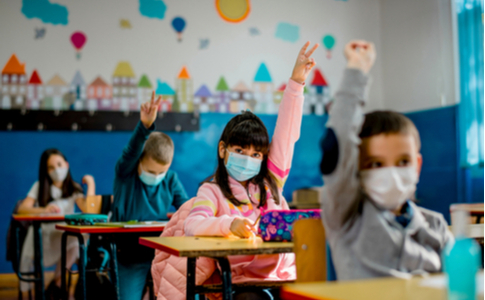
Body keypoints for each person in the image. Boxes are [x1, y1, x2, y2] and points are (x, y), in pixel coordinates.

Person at [152, 41, 319, 300]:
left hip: (288, 277)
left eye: (256, 155)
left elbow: (287, 135)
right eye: (240, 151)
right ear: (223, 149)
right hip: (246, 283)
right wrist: (230, 223)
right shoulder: (212, 190)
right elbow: (193, 225)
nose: (248, 159)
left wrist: (296, 83)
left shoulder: (270, 181)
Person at [320, 40, 454, 280]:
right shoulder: (348, 216)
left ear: (418, 166)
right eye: (376, 164)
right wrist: (357, 70)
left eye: (403, 161)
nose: (391, 172)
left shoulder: (436, 227)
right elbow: (338, 143)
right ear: (355, 168)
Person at [112, 94, 189, 300]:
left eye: (161, 172)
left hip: (163, 251)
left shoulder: (170, 179)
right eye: (151, 171)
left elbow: (188, 207)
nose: (156, 177)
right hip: (129, 254)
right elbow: (131, 151)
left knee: (186, 291)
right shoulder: (125, 173)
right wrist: (145, 126)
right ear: (139, 161)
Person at [17, 148, 95, 298]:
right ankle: (47, 289)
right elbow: (22, 209)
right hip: (44, 236)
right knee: (29, 256)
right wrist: (43, 209)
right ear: (46, 170)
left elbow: (89, 210)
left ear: (66, 165)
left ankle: (57, 283)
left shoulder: (74, 188)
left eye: (59, 164)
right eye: (51, 167)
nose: (56, 170)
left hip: (63, 236)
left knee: (80, 237)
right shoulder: (39, 186)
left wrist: (90, 184)